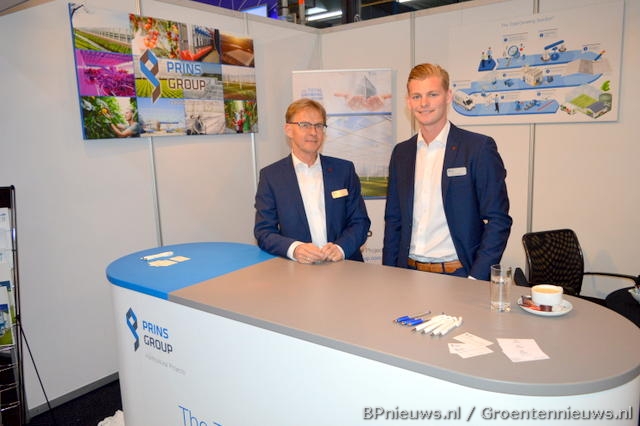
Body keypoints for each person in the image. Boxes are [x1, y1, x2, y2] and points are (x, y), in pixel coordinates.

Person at [382, 63, 512, 280]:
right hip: (407, 274)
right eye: (416, 96)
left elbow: (498, 220)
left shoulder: (477, 148)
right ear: (408, 101)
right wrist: (390, 274)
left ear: (448, 96)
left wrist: (476, 278)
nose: (424, 103)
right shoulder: (401, 153)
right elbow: (394, 220)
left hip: (459, 275)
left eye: (432, 94)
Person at [254, 98, 371, 263]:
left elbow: (360, 221)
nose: (313, 132)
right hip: (298, 270)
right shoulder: (271, 176)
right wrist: (295, 249)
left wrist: (341, 248)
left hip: (345, 265)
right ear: (288, 130)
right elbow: (264, 232)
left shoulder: (344, 170)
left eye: (319, 126)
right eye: (305, 125)